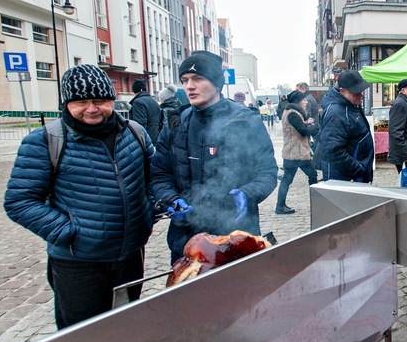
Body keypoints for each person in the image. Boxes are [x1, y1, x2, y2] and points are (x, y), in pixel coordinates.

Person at [4, 64, 155, 329]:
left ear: (112, 99)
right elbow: (19, 201)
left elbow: (154, 178)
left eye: (100, 101)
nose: (92, 109)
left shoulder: (135, 133)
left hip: (130, 255)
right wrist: (70, 232)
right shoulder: (45, 141)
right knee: (82, 335)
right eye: (81, 102)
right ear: (66, 104)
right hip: (78, 263)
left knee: (126, 328)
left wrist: (152, 208)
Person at [151, 50, 278, 263]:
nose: (190, 86)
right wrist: (171, 199)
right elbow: (160, 174)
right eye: (185, 80)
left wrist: (247, 194)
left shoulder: (246, 122)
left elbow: (267, 173)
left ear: (217, 83)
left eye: (198, 78)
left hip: (235, 238)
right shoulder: (176, 125)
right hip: (186, 241)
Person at [319, 70, 374, 183]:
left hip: (353, 176)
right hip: (345, 179)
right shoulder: (336, 113)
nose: (361, 94)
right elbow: (332, 150)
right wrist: (358, 169)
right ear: (342, 92)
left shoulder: (351, 106)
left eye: (361, 90)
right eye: (356, 92)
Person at [275, 90, 320, 214]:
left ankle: (280, 205)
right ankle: (316, 203)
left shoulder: (290, 112)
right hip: (297, 153)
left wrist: (306, 123)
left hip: (293, 152)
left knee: (288, 180)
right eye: (304, 100)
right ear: (298, 101)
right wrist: (314, 127)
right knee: (311, 175)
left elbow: (297, 127)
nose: (306, 102)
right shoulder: (293, 114)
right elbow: (302, 131)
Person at [129, 78, 163, 144]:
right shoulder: (154, 102)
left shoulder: (138, 102)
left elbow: (139, 124)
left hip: (145, 140)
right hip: (156, 137)